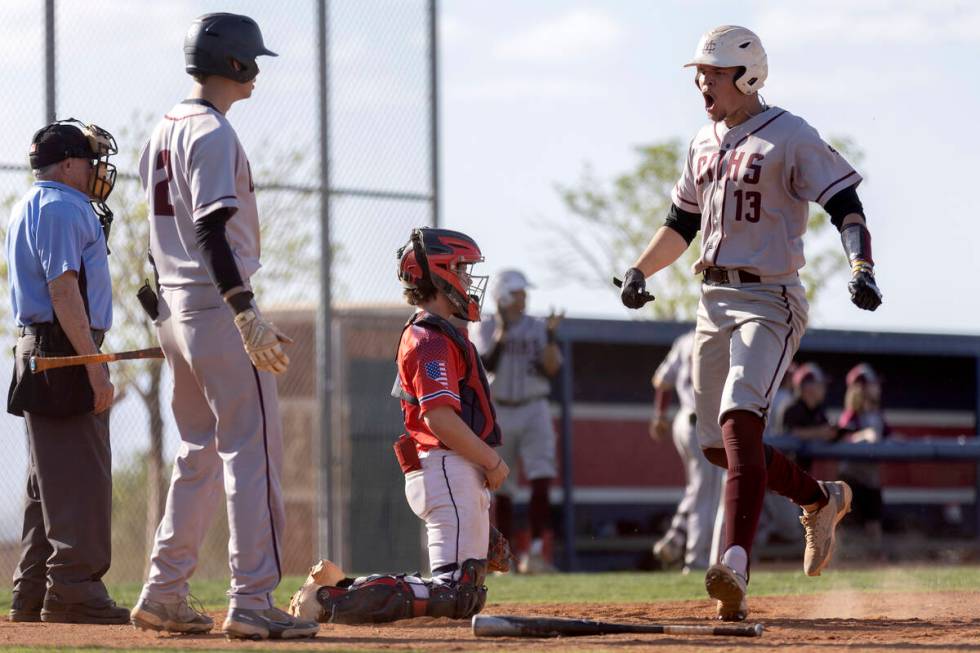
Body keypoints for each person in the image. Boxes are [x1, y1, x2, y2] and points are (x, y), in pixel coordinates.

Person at [619, 25, 883, 621]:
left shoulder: (789, 135)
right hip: (711, 302)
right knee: (719, 448)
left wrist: (861, 264)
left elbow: (844, 203)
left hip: (770, 300)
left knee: (740, 415)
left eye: (712, 74)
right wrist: (641, 269)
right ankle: (821, 498)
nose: (702, 83)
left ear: (748, 75)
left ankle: (733, 565)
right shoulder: (701, 141)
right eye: (700, 74)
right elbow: (680, 224)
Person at [129, 14, 318, 640]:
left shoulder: (162, 128)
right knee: (253, 453)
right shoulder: (211, 132)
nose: (257, 70)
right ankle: (254, 599)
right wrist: (245, 312)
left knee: (199, 456)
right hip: (215, 309)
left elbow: (160, 238)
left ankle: (163, 591)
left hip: (177, 311)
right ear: (234, 65)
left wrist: (169, 313)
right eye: (252, 60)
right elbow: (210, 229)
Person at [289, 227, 509, 624]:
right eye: (461, 269)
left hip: (451, 469)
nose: (468, 280)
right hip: (447, 465)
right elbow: (438, 418)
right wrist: (491, 463)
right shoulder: (429, 338)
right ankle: (326, 600)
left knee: (464, 593)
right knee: (456, 594)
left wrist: (480, 526)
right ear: (439, 275)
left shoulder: (440, 333)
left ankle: (338, 588)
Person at [4, 119, 128, 625]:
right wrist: (94, 368)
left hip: (45, 347)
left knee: (48, 482)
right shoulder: (60, 206)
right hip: (64, 350)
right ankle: (74, 589)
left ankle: (32, 591)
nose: (98, 170)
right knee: (80, 477)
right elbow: (62, 291)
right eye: (92, 160)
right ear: (70, 163)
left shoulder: (28, 203)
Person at [471, 270, 563, 574]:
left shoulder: (537, 327)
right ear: (505, 296)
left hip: (534, 406)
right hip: (500, 410)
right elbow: (487, 364)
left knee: (541, 474)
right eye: (519, 294)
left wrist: (550, 337)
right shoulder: (485, 326)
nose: (525, 299)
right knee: (502, 484)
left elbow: (550, 370)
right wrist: (502, 329)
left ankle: (536, 552)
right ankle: (505, 556)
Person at [649, 330, 723, 573]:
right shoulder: (721, 334)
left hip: (682, 421)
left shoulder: (684, 340)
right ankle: (696, 561)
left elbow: (661, 380)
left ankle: (675, 538)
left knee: (698, 488)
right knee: (707, 494)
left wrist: (660, 414)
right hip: (701, 422)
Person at [837, 363, 889, 554]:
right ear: (861, 388)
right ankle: (844, 563)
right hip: (852, 478)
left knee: (874, 525)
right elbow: (841, 436)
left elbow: (888, 435)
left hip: (871, 479)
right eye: (872, 384)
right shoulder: (852, 415)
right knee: (847, 527)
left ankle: (877, 562)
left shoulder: (877, 415)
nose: (877, 388)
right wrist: (863, 435)